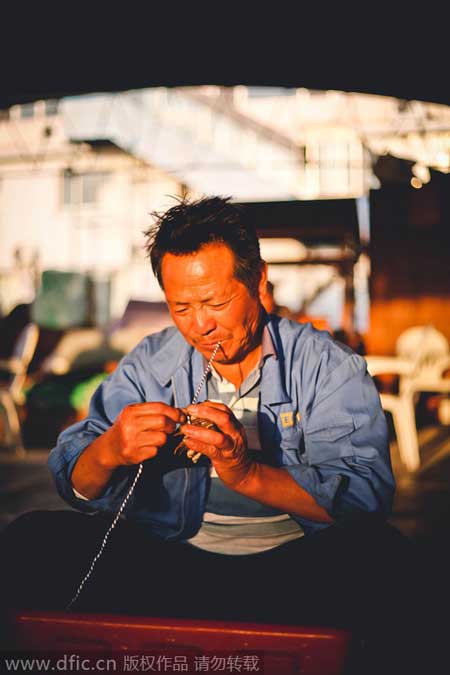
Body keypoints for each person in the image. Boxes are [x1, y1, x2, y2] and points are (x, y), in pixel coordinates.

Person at [0, 197, 428, 670]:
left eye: (216, 302)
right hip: (173, 560)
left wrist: (246, 473)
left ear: (259, 281)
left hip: (290, 566)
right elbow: (74, 481)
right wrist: (109, 451)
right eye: (181, 306)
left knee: (386, 560)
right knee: (30, 543)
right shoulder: (150, 363)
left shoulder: (327, 366)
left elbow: (365, 498)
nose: (200, 325)